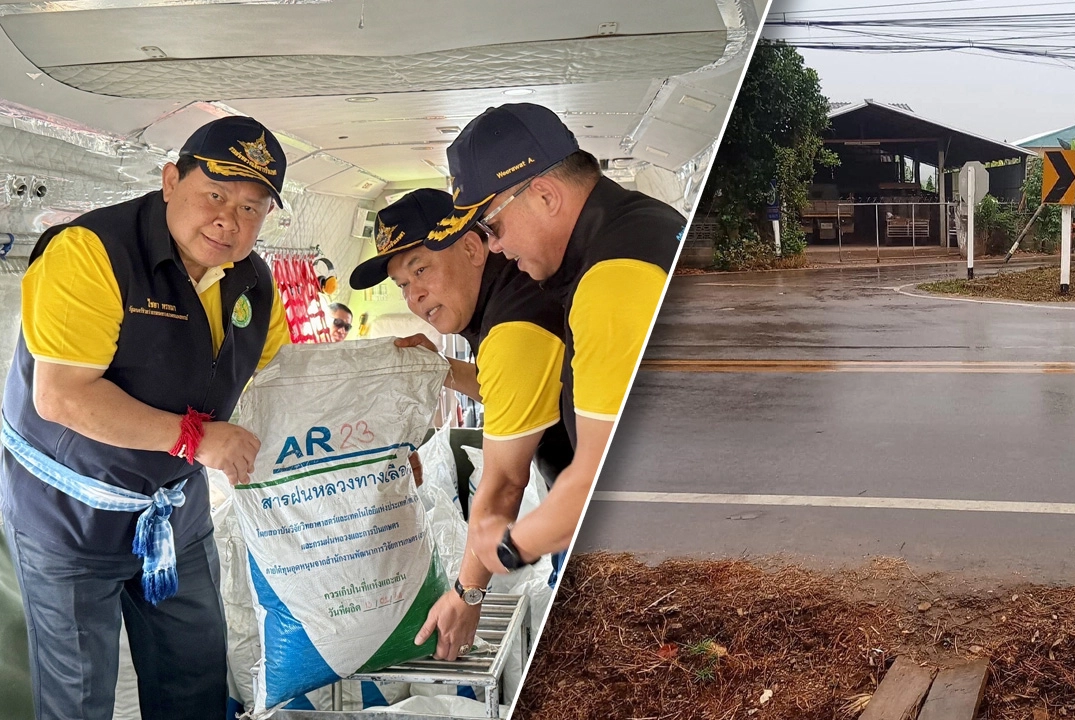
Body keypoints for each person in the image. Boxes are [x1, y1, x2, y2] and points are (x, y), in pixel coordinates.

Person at [0, 116, 292, 720]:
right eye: (215, 194)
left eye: (251, 208)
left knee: (194, 678)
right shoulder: (91, 253)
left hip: (171, 513)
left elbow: (287, 372)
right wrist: (194, 438)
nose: (228, 221)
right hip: (68, 521)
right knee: (79, 697)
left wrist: (396, 402)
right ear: (169, 180)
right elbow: (62, 396)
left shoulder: (254, 284)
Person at [428, 103, 685, 577]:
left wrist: (511, 546)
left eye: (491, 227)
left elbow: (601, 475)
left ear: (544, 195)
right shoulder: (642, 223)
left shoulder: (611, 283)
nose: (496, 249)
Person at [347, 189, 572, 662]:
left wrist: (468, 593)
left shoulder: (515, 326)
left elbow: (506, 482)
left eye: (420, 269)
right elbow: (512, 389)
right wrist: (442, 369)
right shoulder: (506, 294)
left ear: (471, 248)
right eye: (402, 285)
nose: (414, 296)